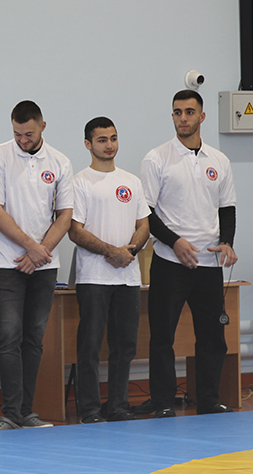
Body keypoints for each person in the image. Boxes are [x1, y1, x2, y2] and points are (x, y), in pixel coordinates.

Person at [136, 90, 238, 418]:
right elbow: (146, 213)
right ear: (172, 116)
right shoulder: (156, 159)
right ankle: (163, 402)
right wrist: (175, 242)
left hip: (209, 262)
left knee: (212, 336)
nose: (183, 118)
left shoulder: (219, 161)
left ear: (202, 117)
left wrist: (227, 242)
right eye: (177, 112)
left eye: (189, 112)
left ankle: (208, 400)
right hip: (170, 262)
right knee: (162, 336)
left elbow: (227, 208)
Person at [0, 100, 72, 431]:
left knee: (34, 338)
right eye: (17, 134)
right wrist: (31, 247)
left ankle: (27, 412)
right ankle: (9, 414)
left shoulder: (60, 161)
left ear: (42, 126)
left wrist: (40, 252)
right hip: (7, 264)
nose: (22, 140)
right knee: (9, 336)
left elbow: (65, 216)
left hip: (44, 265)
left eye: (29, 134)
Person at [68, 117, 150, 423]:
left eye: (113, 138)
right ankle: (90, 409)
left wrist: (129, 251)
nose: (109, 145)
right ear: (88, 144)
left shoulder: (132, 181)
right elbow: (75, 231)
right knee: (90, 345)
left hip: (128, 277)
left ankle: (118, 406)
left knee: (125, 346)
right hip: (93, 277)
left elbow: (144, 225)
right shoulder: (80, 182)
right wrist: (111, 251)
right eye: (102, 140)